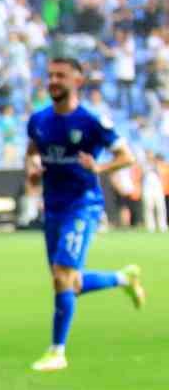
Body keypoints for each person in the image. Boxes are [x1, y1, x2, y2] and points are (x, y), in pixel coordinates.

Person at [25, 57, 146, 373]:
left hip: (83, 205)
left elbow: (126, 156)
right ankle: (124, 278)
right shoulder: (39, 120)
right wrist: (33, 172)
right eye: (50, 75)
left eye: (60, 76)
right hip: (53, 207)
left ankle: (57, 352)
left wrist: (100, 167)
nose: (53, 81)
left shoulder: (92, 121)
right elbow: (32, 153)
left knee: (64, 275)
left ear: (77, 81)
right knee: (67, 282)